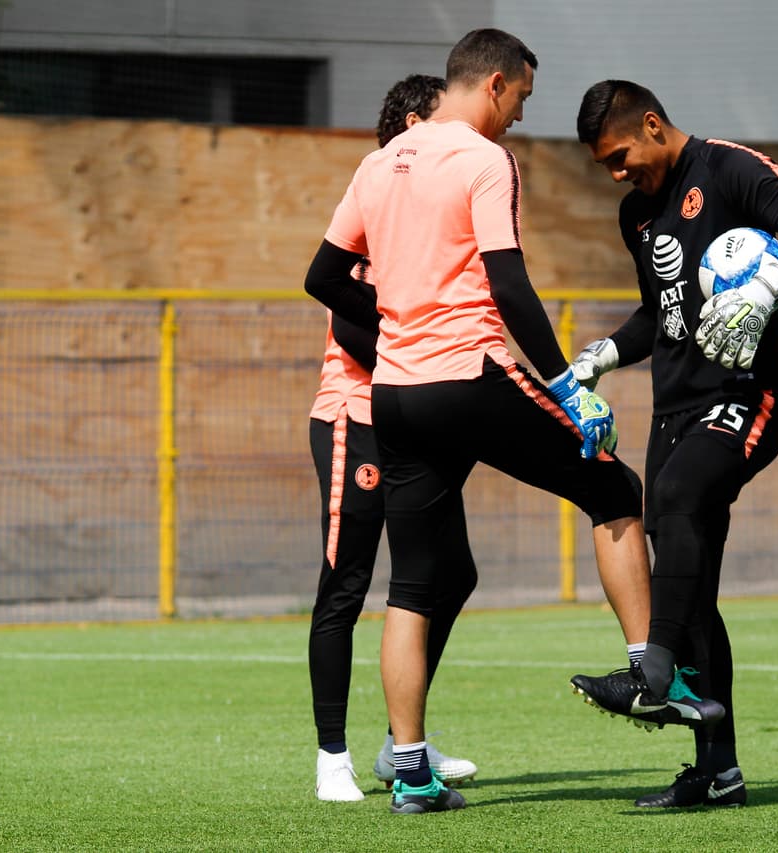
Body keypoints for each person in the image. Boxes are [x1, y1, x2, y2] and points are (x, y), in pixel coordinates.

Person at [304, 31, 656, 814]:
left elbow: (324, 274)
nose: (519, 117)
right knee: (613, 484)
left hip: (393, 393)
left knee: (418, 584)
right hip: (466, 373)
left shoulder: (377, 163)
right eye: (522, 99)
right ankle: (650, 669)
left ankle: (411, 772)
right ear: (494, 84)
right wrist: (568, 384)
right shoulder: (483, 159)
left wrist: (395, 322)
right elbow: (508, 282)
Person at [566, 80, 778, 809]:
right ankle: (716, 771)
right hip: (674, 412)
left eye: (621, 155)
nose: (618, 174)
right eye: (606, 165)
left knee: (676, 495)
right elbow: (660, 317)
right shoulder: (638, 215)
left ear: (653, 125)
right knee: (688, 585)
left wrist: (770, 287)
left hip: (746, 400)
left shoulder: (728, 170)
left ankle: (652, 672)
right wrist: (603, 352)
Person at [309, 74, 481, 803]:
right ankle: (331, 759)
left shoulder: (433, 211)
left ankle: (398, 742)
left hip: (412, 421)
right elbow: (353, 324)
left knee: (453, 572)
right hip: (358, 418)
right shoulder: (376, 198)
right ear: (416, 120)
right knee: (347, 584)